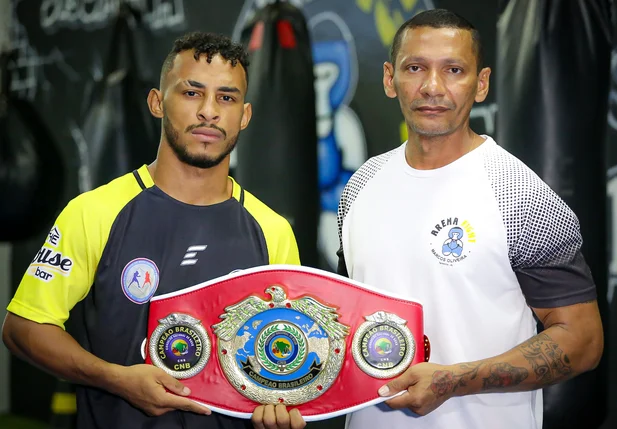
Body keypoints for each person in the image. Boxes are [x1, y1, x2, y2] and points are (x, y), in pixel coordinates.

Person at [2, 31, 304, 429]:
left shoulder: (272, 230)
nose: (209, 111)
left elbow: (288, 360)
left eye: (226, 98)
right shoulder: (95, 212)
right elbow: (23, 328)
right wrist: (115, 379)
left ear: (244, 116)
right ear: (157, 103)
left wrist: (282, 408)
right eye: (192, 93)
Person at [332, 8, 603, 429]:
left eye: (453, 70)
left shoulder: (518, 194)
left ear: (481, 85)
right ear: (390, 78)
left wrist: (453, 380)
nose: (432, 87)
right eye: (415, 68)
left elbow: (583, 341)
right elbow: (346, 321)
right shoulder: (361, 186)